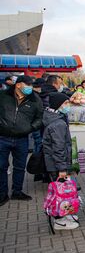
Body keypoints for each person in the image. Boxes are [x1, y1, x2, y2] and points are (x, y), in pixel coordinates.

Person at [0, 75, 43, 205]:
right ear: (18, 85)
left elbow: (39, 117)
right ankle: (2, 194)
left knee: (19, 167)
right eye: (28, 85)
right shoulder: (3, 96)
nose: (30, 88)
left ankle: (17, 191)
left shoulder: (35, 99)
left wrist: (30, 128)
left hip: (22, 138)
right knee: (1, 167)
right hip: (3, 137)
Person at [41, 93, 79, 230]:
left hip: (55, 163)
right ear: (59, 105)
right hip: (57, 164)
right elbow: (58, 148)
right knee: (60, 193)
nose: (68, 105)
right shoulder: (58, 123)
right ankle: (59, 220)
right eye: (66, 103)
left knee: (64, 191)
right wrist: (62, 168)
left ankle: (66, 213)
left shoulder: (54, 118)